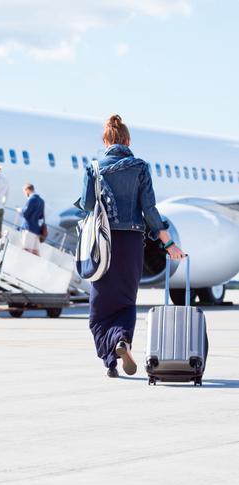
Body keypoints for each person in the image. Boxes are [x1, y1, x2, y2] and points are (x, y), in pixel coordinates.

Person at [79, 114, 185, 379]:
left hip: (104, 242)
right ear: (127, 140)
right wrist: (168, 243)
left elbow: (87, 205)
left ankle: (110, 361)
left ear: (106, 141)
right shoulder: (140, 167)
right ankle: (122, 340)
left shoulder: (94, 167)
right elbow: (149, 210)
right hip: (131, 243)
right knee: (126, 302)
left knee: (99, 307)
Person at [17, 183, 44, 256]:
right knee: (35, 252)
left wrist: (20, 211)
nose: (25, 194)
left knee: (25, 250)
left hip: (28, 228)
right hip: (36, 230)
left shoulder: (32, 199)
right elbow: (41, 216)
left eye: (24, 192)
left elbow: (26, 213)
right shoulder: (41, 201)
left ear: (28, 190)